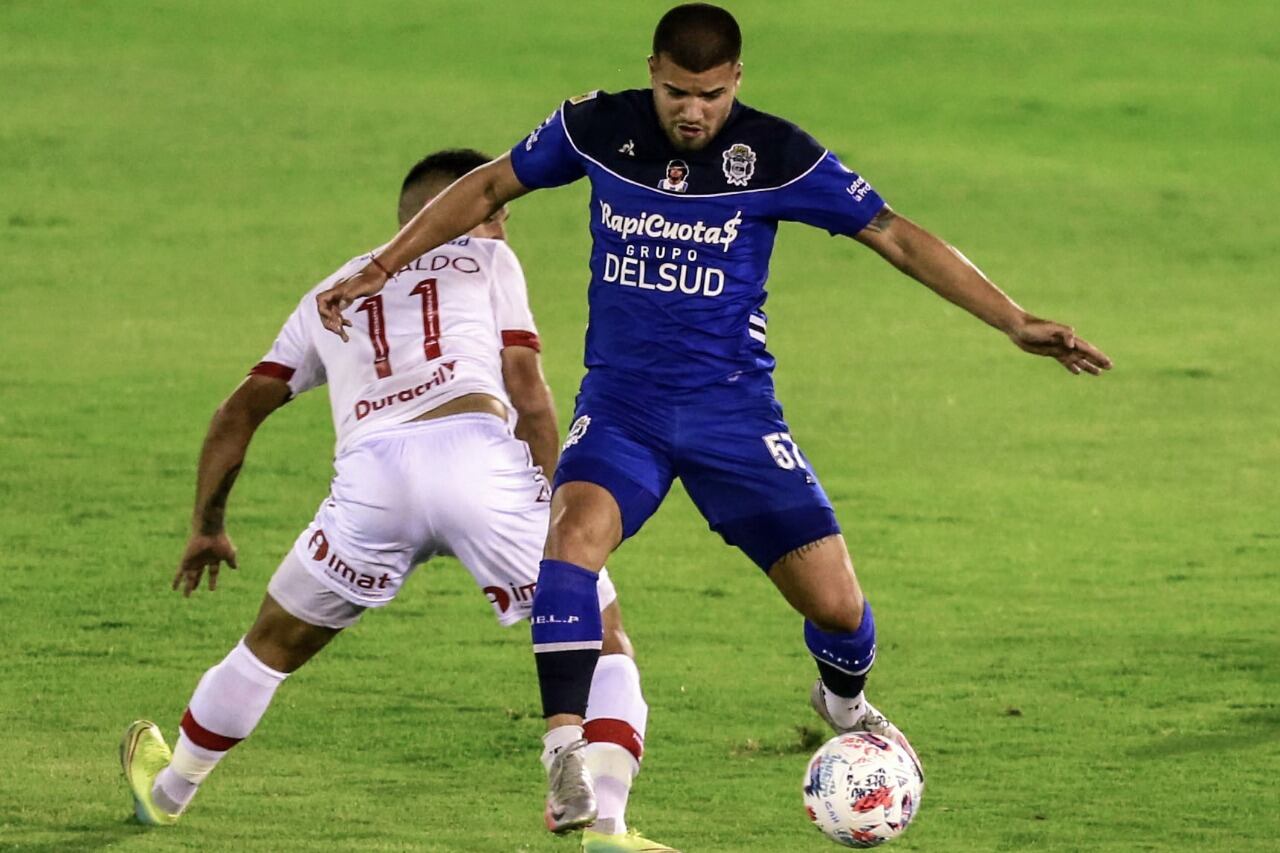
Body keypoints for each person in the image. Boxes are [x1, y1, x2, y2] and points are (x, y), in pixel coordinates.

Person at [316, 3, 1113, 834]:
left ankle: (843, 703)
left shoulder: (776, 153)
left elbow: (895, 235)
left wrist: (1015, 320)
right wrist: (379, 266)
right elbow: (485, 185)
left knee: (839, 609)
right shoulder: (597, 127)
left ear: (736, 80)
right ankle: (564, 751)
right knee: (571, 539)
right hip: (623, 407)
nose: (690, 111)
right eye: (673, 93)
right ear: (651, 70)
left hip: (733, 414)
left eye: (708, 95)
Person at [121, 149, 677, 853]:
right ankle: (606, 827)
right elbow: (528, 390)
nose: (502, 227)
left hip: (373, 480)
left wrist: (208, 526)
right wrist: (559, 507)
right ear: (462, 209)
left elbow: (239, 411)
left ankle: (167, 792)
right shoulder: (487, 260)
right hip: (479, 455)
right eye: (495, 211)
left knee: (270, 645)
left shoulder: (328, 292)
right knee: (602, 636)